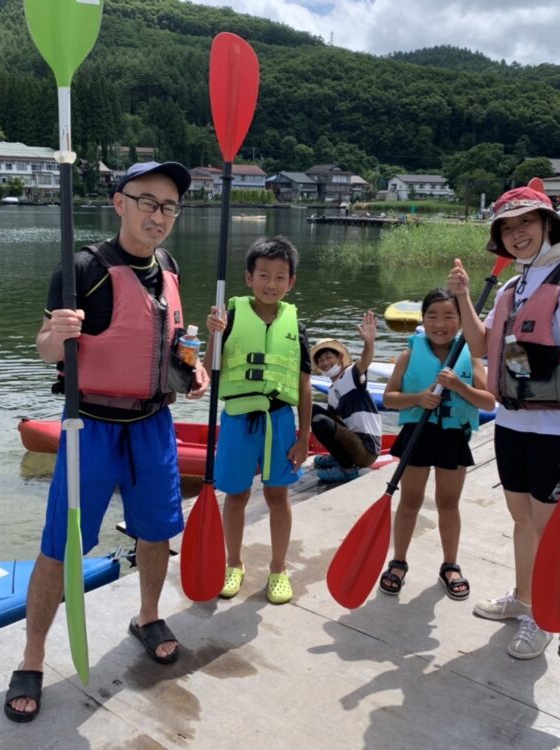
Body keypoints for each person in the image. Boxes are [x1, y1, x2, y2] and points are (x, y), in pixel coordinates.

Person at [4, 161, 210, 723]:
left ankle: (146, 616)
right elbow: (47, 348)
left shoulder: (169, 266)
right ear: (120, 202)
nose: (158, 215)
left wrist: (193, 371)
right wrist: (54, 336)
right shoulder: (83, 269)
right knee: (61, 546)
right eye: (147, 201)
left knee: (156, 532)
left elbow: (172, 343)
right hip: (87, 427)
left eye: (168, 206)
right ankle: (32, 656)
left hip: (153, 424)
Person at [447, 186, 560, 660]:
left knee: (545, 523)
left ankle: (543, 617)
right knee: (522, 519)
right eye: (507, 227)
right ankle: (523, 598)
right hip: (513, 421)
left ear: (546, 224)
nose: (516, 234)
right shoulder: (511, 286)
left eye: (525, 223)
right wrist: (462, 298)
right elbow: (482, 348)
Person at [204, 236, 312, 605]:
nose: (271, 284)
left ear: (291, 282)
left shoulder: (296, 325)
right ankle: (233, 564)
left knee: (277, 496)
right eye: (263, 275)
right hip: (237, 419)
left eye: (280, 277)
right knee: (235, 495)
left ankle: (279, 569)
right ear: (248, 278)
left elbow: (304, 385)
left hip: (280, 422)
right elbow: (207, 372)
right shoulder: (229, 316)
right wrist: (212, 337)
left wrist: (304, 437)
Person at [378, 289, 496, 599]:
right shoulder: (409, 353)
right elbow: (390, 398)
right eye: (432, 316)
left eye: (448, 317)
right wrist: (418, 398)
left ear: (460, 322)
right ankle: (398, 561)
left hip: (452, 435)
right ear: (422, 320)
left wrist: (458, 385)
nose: (440, 324)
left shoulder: (470, 355)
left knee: (448, 504)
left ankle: (450, 565)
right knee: (410, 501)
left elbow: (488, 400)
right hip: (418, 434)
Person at [309, 311, 383, 483]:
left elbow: (365, 361)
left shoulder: (351, 375)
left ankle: (347, 469)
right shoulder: (332, 390)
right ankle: (337, 458)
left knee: (320, 422)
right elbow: (334, 426)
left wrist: (369, 342)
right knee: (312, 410)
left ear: (340, 358)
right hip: (352, 442)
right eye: (321, 361)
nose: (325, 363)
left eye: (329, 358)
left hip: (367, 449)